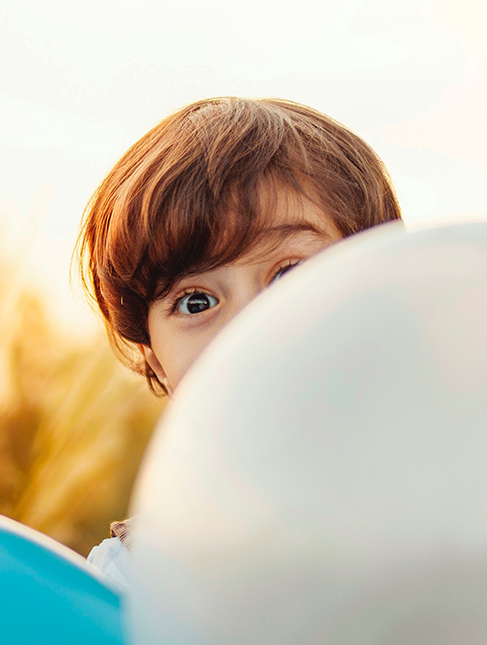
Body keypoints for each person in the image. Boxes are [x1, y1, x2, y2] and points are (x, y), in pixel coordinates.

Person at [77, 97, 402, 589]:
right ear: (155, 359)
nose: (250, 326)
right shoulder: (134, 582)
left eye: (292, 273)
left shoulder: (458, 522)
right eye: (196, 303)